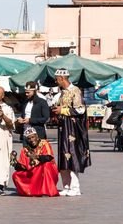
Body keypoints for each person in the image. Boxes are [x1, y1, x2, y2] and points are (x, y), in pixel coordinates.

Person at [52, 68, 91, 197]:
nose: (56, 81)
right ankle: (66, 186)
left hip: (74, 130)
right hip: (63, 129)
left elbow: (80, 110)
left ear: (63, 79)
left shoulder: (76, 91)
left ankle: (75, 187)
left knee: (73, 156)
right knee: (63, 156)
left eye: (57, 79)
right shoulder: (62, 93)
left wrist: (62, 111)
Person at [12, 127, 59, 197]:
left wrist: (36, 156)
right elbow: (23, 167)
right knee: (15, 175)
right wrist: (14, 163)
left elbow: (49, 157)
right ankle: (30, 191)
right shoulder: (25, 150)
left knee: (46, 165)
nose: (31, 140)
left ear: (36, 136)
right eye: (29, 138)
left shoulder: (44, 143)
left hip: (46, 171)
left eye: (33, 137)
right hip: (33, 173)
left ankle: (46, 191)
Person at [17, 81, 49, 146]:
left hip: (37, 135)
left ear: (34, 91)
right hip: (26, 135)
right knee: (26, 155)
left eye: (28, 93)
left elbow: (46, 118)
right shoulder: (25, 102)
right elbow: (24, 116)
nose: (26, 94)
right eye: (26, 92)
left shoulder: (42, 102)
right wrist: (21, 120)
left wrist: (30, 120)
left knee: (38, 155)